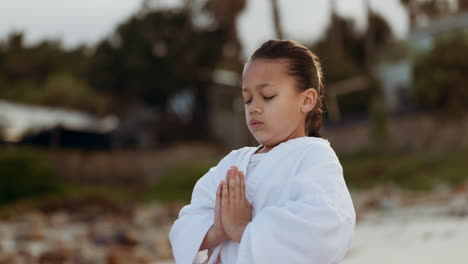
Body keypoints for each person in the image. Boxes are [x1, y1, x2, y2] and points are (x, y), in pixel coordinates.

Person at [169, 39, 356, 264]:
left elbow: (324, 227)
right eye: (247, 99)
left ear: (306, 100)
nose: (254, 107)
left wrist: (240, 229)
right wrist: (217, 231)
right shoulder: (233, 163)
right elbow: (187, 223)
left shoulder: (314, 157)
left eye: (267, 96)